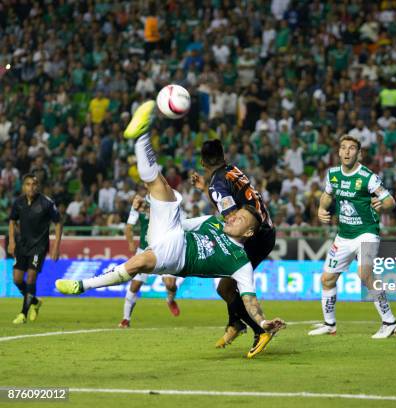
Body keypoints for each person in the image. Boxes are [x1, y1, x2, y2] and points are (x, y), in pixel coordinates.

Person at [55, 101, 285, 358]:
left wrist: (264, 320)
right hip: (180, 233)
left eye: (238, 218)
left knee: (214, 285)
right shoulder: (225, 195)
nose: (232, 218)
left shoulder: (236, 249)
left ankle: (81, 285)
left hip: (184, 253)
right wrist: (164, 213)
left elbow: (250, 296)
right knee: (158, 185)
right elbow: (199, 222)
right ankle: (141, 134)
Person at [309, 135, 396, 338]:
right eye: (343, 148)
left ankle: (390, 322)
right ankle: (329, 324)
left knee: (365, 275)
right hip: (344, 236)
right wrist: (321, 209)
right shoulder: (332, 174)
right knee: (327, 279)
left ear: (359, 153)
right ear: (339, 152)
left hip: (367, 233)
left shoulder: (368, 177)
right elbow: (328, 194)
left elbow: (390, 202)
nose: (347, 152)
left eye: (351, 148)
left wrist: (382, 206)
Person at [191, 139, 276, 353]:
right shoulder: (232, 170)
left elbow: (232, 219)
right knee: (228, 285)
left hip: (253, 237)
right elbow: (230, 205)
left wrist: (208, 191)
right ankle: (235, 323)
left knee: (226, 287)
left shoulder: (217, 184)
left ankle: (259, 329)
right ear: (223, 156)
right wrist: (206, 189)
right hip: (265, 229)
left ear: (202, 162)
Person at [118, 194, 182, 328]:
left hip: (164, 250)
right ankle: (126, 319)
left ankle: (170, 300)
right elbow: (128, 227)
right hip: (144, 251)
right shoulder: (138, 210)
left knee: (170, 285)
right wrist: (130, 242)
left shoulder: (166, 210)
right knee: (135, 286)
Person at [8, 174, 63, 324]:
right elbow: (12, 221)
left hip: (39, 246)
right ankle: (35, 302)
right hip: (22, 246)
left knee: (31, 278)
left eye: (34, 184)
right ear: (23, 186)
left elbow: (58, 223)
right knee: (17, 279)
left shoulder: (47, 203)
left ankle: (23, 314)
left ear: (38, 186)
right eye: (28, 184)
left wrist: (56, 246)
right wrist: (11, 241)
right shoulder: (18, 202)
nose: (31, 187)